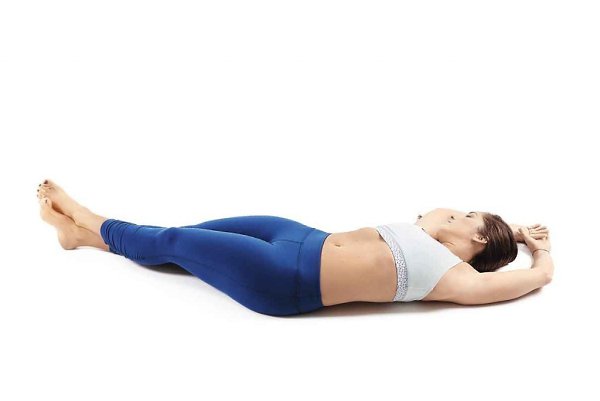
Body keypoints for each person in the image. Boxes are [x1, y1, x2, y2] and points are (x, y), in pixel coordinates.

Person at [36, 179, 554, 316]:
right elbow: (438, 213)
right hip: (298, 235)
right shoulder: (432, 228)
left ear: (480, 236)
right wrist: (504, 230)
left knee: (174, 241)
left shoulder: (457, 280)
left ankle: (87, 216)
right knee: (185, 237)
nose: (459, 212)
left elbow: (539, 277)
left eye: (472, 215)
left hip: (284, 279)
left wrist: (535, 246)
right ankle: (81, 237)